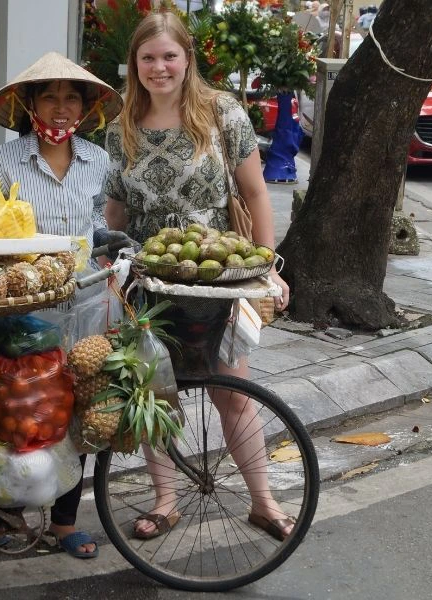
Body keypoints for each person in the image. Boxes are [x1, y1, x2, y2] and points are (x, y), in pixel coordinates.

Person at [103, 10, 294, 541]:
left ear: (188, 59)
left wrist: (267, 264)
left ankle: (263, 500)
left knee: (233, 390)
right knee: (155, 391)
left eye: (169, 56)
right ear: (134, 64)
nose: (159, 68)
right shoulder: (120, 125)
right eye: (148, 58)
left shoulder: (221, 113)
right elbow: (116, 210)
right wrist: (107, 261)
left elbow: (255, 192)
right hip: (147, 278)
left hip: (217, 276)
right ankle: (165, 500)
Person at [0, 52, 124, 559]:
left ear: (84, 106)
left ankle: (63, 523)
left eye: (72, 97)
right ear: (29, 104)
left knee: (74, 411)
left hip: (84, 301)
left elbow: (91, 225)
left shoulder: (98, 160)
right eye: (51, 97)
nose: (61, 108)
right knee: (7, 409)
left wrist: (114, 245)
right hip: (22, 306)